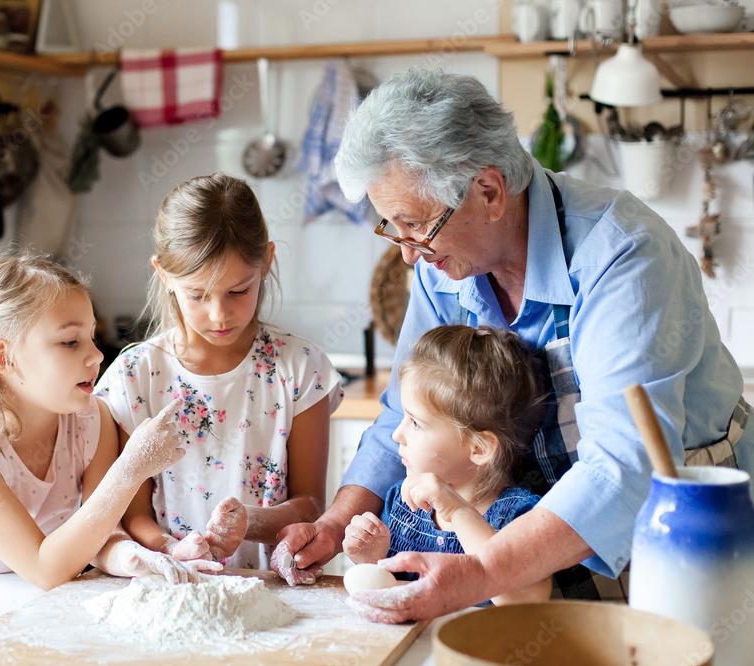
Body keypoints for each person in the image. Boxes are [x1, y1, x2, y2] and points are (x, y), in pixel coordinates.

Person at [274, 69, 752, 622]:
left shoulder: (622, 254)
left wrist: (481, 572)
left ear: (490, 191)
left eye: (416, 226)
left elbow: (624, 464)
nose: (407, 254)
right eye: (392, 227)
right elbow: (398, 416)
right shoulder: (445, 267)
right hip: (537, 534)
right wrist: (336, 523)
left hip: (678, 528)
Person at [0, 251, 218, 589]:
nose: (96, 355)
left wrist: (140, 558)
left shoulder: (92, 421)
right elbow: (44, 567)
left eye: (92, 337)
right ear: (3, 358)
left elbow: (99, 533)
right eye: (70, 342)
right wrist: (132, 467)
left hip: (28, 607)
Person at [95, 173, 344, 573]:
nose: (219, 315)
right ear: (163, 274)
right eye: (197, 294)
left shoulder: (300, 370)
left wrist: (251, 522)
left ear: (266, 262)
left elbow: (311, 503)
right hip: (171, 586)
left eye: (238, 291)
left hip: (272, 588)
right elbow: (132, 514)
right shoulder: (136, 377)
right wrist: (171, 548)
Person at [342, 325, 551, 606]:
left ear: (478, 448)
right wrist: (373, 558)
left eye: (415, 422)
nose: (397, 434)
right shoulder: (401, 502)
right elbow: (396, 593)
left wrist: (456, 510)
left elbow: (526, 599)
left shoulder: (518, 516)